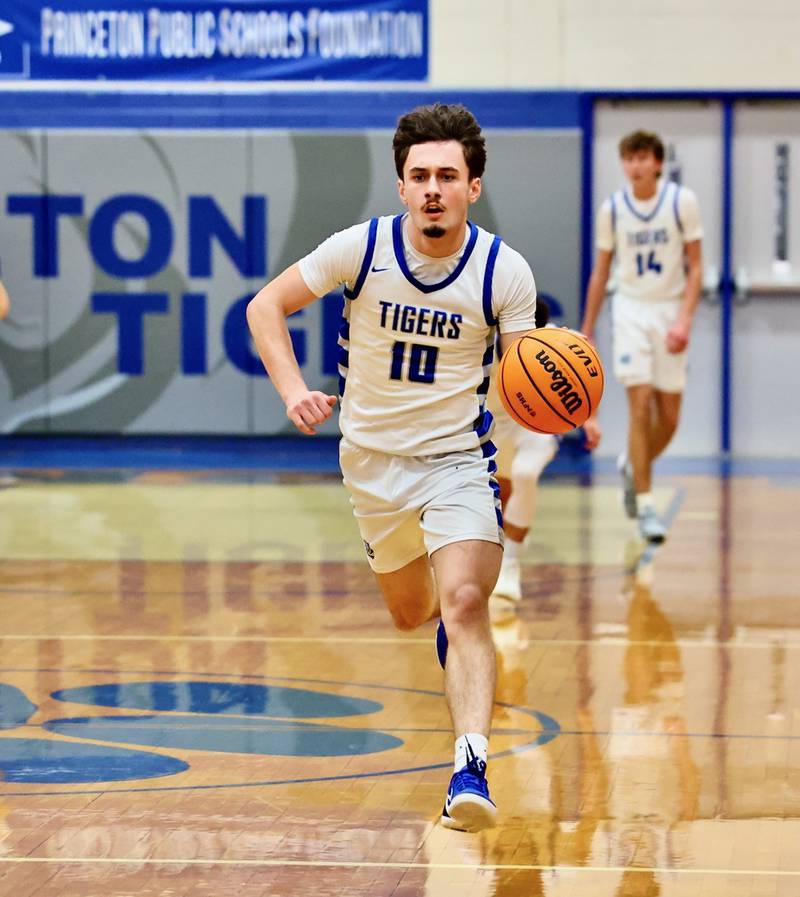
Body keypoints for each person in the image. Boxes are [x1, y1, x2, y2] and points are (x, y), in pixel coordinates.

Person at [246, 103, 537, 832]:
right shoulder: (361, 249)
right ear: (401, 185)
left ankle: (470, 766)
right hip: (372, 465)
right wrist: (292, 392)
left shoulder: (505, 271)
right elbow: (264, 306)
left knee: (467, 600)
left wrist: (551, 404)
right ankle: (445, 608)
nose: (433, 187)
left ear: (474, 184)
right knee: (416, 613)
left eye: (447, 174)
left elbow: (526, 377)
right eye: (419, 176)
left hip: (456, 462)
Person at [580, 129, 703, 543]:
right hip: (630, 309)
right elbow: (600, 271)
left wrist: (684, 319)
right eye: (627, 158)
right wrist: (588, 326)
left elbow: (697, 266)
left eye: (641, 158)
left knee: (669, 419)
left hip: (668, 309)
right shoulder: (612, 210)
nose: (634, 165)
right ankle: (647, 506)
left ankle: (634, 466)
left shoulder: (680, 202)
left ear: (656, 162)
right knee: (640, 404)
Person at [488, 299, 602, 610]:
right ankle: (504, 546)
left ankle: (510, 565)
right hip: (492, 420)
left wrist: (589, 419)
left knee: (525, 475)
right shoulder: (481, 340)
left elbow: (584, 379)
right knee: (500, 492)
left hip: (534, 423)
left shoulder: (555, 341)